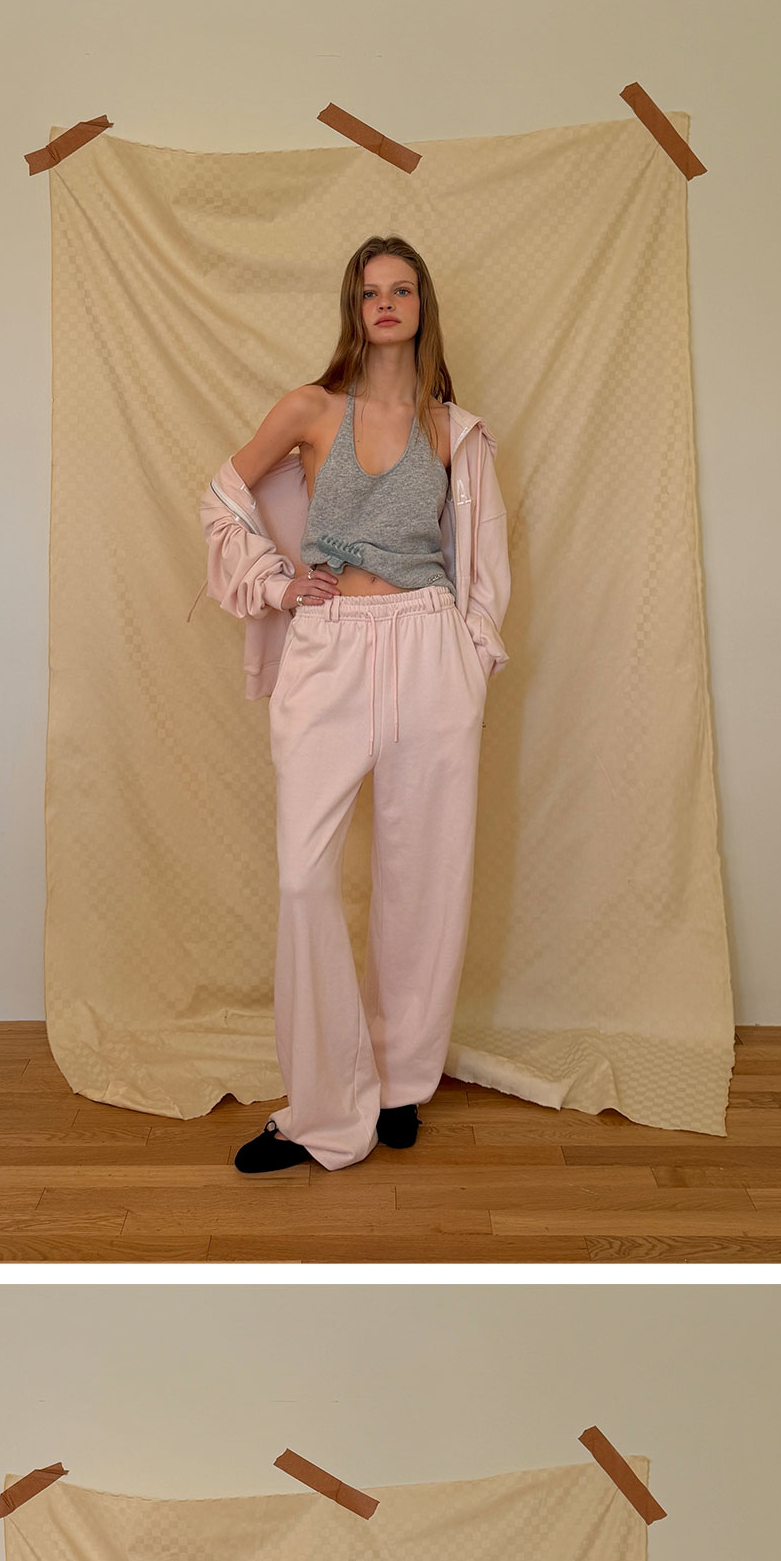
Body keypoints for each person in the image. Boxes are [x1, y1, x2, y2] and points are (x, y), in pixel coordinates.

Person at [200, 233, 510, 1173]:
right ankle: (326, 1108)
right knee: (304, 876)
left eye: (401, 289)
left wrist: (470, 655)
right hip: (330, 649)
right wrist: (278, 584)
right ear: (354, 306)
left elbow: (486, 565)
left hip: (427, 648)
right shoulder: (310, 408)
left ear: (421, 307)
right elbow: (222, 498)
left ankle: (402, 1082)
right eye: (371, 290)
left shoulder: (453, 430)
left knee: (423, 878)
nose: (386, 303)